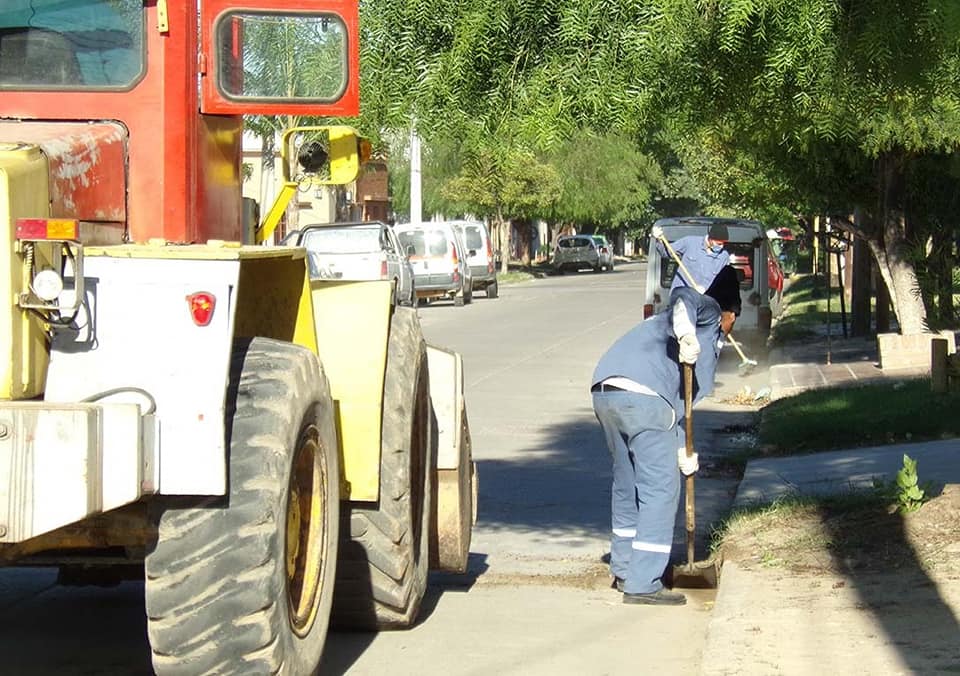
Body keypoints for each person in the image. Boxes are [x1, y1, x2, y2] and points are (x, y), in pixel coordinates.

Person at [591, 284, 734, 606]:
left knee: (627, 485)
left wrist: (683, 449)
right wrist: (686, 331)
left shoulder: (652, 328)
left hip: (606, 390)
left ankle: (625, 569)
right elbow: (686, 295)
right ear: (730, 315)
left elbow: (678, 408)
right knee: (660, 489)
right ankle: (642, 584)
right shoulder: (707, 321)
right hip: (645, 399)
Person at [653, 222, 731, 293]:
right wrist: (659, 240)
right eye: (719, 244)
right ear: (710, 239)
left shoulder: (724, 256)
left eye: (723, 244)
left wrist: (706, 288)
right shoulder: (689, 242)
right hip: (681, 296)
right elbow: (666, 253)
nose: (721, 246)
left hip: (705, 300)